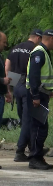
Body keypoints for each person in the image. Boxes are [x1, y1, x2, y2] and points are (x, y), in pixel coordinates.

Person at [5, 29, 45, 162]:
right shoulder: (35, 49)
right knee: (28, 120)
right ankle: (20, 151)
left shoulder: (16, 48)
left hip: (15, 82)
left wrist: (8, 87)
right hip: (26, 83)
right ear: (38, 38)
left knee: (24, 119)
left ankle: (31, 146)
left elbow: (7, 66)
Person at [26, 29, 53, 170]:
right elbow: (34, 76)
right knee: (39, 128)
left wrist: (47, 91)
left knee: (40, 127)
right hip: (37, 96)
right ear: (51, 39)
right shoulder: (39, 53)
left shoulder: (43, 52)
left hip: (41, 94)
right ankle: (35, 157)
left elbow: (42, 76)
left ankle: (38, 156)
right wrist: (35, 96)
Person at [0, 31, 12, 170]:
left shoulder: (1, 56)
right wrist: (2, 80)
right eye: (3, 42)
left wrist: (7, 91)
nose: (5, 45)